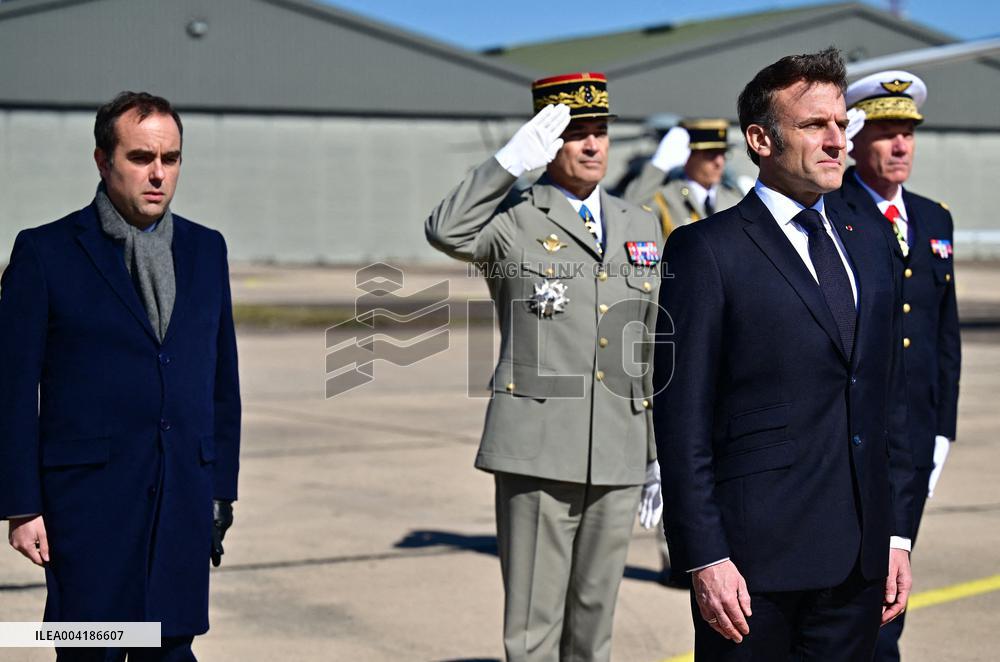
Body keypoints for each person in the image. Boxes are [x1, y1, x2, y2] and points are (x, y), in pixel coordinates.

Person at [653, 48, 916, 661]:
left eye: (841, 124)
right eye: (814, 125)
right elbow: (681, 417)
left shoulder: (871, 241)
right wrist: (704, 555)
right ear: (760, 140)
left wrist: (898, 535)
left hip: (859, 562)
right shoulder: (706, 249)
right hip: (752, 571)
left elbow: (889, 399)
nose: (837, 141)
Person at [425, 72, 663, 662]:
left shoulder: (638, 222)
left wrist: (656, 453)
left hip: (619, 447)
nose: (592, 144)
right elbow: (445, 229)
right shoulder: (514, 217)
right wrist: (506, 165)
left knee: (594, 624)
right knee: (532, 629)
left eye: (599, 131)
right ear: (547, 140)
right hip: (537, 452)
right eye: (575, 133)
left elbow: (647, 345)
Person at [0, 91, 241, 662]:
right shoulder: (45, 252)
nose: (158, 174)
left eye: (170, 159)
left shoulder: (207, 250)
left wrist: (220, 489)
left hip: (182, 495)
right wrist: (21, 505)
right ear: (103, 161)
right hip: (88, 503)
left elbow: (221, 383)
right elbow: (12, 390)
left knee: (171, 649)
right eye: (140, 157)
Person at [831, 70, 961, 662]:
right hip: (854, 430)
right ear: (855, 137)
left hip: (916, 437)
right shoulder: (834, 211)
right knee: (846, 589)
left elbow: (944, 335)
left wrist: (943, 428)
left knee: (892, 588)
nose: (901, 145)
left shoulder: (934, 219)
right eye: (886, 132)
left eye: (908, 132)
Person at [623, 118, 745, 236]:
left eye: (723, 154)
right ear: (688, 156)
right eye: (710, 154)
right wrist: (659, 166)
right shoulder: (667, 196)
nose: (719, 162)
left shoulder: (734, 199)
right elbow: (628, 211)